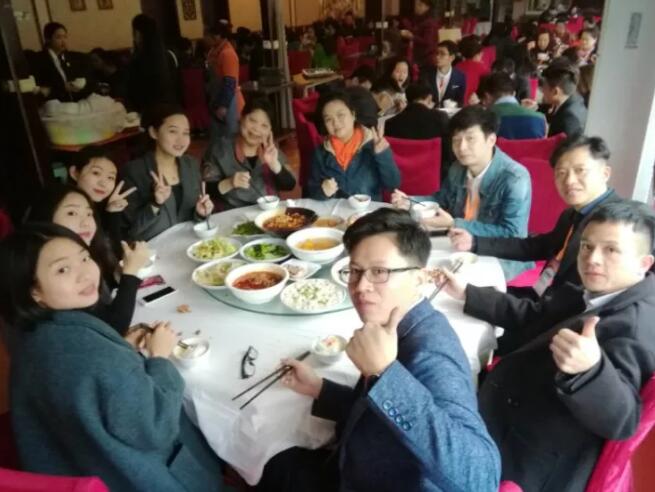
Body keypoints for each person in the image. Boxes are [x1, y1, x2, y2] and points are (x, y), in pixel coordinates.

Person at [258, 208, 501, 492]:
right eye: (355, 271)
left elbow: (482, 477)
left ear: (420, 278)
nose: (361, 286)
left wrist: (385, 373)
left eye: (379, 272)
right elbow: (375, 416)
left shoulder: (432, 352)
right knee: (274, 461)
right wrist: (320, 389)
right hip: (353, 462)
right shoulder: (394, 328)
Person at [438, 201, 655, 491]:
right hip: (517, 408)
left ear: (644, 264)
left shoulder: (635, 324)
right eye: (587, 246)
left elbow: (624, 421)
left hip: (529, 458)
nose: (592, 259)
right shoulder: (602, 292)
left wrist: (590, 371)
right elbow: (534, 315)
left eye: (611, 250)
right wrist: (467, 294)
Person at [0, 223, 227, 491]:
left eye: (84, 258)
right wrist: (159, 357)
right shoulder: (88, 353)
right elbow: (156, 427)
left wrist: (120, 349)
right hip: (140, 477)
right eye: (63, 269)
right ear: (34, 291)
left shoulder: (33, 335)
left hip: (79, 463)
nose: (85, 273)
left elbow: (94, 386)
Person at [449, 134, 621, 307]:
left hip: (556, 314)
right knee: (455, 292)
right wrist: (474, 243)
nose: (569, 180)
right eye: (561, 173)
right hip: (540, 297)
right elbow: (536, 246)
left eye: (580, 170)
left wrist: (471, 296)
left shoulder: (613, 226)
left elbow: (570, 307)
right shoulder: (573, 214)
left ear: (605, 173)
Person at [391, 106, 532, 281]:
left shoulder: (514, 178)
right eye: (456, 140)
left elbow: (512, 234)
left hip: (500, 256)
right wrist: (410, 201)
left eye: (470, 138)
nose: (462, 147)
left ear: (491, 140)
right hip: (459, 244)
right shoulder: (458, 168)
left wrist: (454, 223)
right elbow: (440, 199)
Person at [26, 185, 149, 335]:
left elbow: (105, 287)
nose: (86, 223)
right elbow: (114, 327)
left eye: (89, 214)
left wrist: (121, 274)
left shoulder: (86, 250)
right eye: (72, 213)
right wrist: (130, 273)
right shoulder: (48, 273)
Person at [121, 105, 213, 241]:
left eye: (186, 133)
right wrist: (155, 204)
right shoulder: (135, 171)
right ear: (154, 132)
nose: (181, 140)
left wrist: (200, 213)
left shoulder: (190, 165)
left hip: (191, 243)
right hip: (154, 248)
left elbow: (192, 216)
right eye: (173, 131)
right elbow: (131, 230)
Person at [201, 98, 296, 209]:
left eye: (264, 126)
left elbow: (290, 185)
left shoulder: (271, 150)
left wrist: (275, 165)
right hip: (232, 213)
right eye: (252, 120)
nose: (256, 129)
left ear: (269, 131)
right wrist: (229, 183)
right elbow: (205, 188)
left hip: (267, 213)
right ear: (241, 118)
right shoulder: (219, 149)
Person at [307, 90, 400, 201]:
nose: (335, 123)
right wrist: (322, 191)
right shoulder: (321, 153)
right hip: (335, 211)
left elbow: (392, 184)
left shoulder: (372, 145)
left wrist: (383, 155)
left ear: (353, 114)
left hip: (369, 210)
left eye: (340, 115)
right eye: (328, 119)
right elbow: (311, 192)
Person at [68, 146, 136, 252]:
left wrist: (112, 212)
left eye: (110, 177)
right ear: (74, 173)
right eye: (96, 173)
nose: (103, 183)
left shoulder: (101, 207)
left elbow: (115, 249)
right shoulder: (65, 210)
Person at [127, 14, 177, 113]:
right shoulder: (168, 55)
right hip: (170, 108)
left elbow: (134, 92)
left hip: (148, 111)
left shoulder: (139, 60)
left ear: (138, 34)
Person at [204, 24, 245, 143]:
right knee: (217, 138)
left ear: (217, 36)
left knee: (230, 138)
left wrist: (223, 106)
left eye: (206, 35)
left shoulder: (227, 53)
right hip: (216, 98)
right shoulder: (213, 52)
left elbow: (230, 83)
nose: (204, 38)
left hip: (229, 101)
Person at [31, 22, 89, 102]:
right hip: (53, 102)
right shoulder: (39, 59)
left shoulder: (71, 57)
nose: (63, 41)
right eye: (58, 37)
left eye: (65, 37)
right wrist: (62, 87)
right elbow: (41, 88)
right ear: (48, 39)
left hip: (74, 100)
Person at [479, 72, 546, 139]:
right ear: (514, 94)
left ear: (487, 97)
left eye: (482, 101)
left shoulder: (483, 120)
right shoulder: (540, 119)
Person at [384, 82, 449, 140]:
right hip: (431, 150)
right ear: (429, 98)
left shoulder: (390, 123)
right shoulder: (441, 118)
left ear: (407, 98)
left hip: (404, 150)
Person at [542, 60, 588, 137]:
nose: (542, 90)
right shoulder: (576, 99)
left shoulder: (568, 120)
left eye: (544, 86)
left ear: (555, 91)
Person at [421, 40, 467, 107]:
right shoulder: (426, 74)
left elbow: (460, 101)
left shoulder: (460, 77)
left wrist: (453, 105)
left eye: (442, 54)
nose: (437, 57)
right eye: (437, 53)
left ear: (452, 58)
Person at [400, 0, 440, 68]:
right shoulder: (420, 18)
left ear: (427, 7)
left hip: (426, 58)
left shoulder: (430, 22)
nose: (417, 7)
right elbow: (417, 31)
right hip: (420, 56)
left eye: (420, 5)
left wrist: (411, 37)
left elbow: (427, 41)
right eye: (417, 4)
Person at [456, 35, 489, 105]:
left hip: (457, 102)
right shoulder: (482, 68)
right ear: (477, 54)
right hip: (474, 103)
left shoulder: (457, 66)